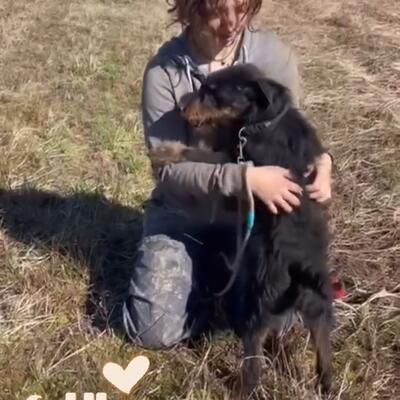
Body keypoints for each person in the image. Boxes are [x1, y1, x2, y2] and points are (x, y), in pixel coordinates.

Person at [122, 0, 333, 349]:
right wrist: (244, 180)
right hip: (185, 219)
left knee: (281, 320)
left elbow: (293, 135)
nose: (231, 23)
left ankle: (224, 285)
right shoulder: (164, 72)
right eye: (217, 11)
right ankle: (204, 284)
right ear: (189, 8)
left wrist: (322, 163)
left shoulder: (273, 57)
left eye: (242, 7)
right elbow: (167, 168)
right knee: (152, 330)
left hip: (255, 226)